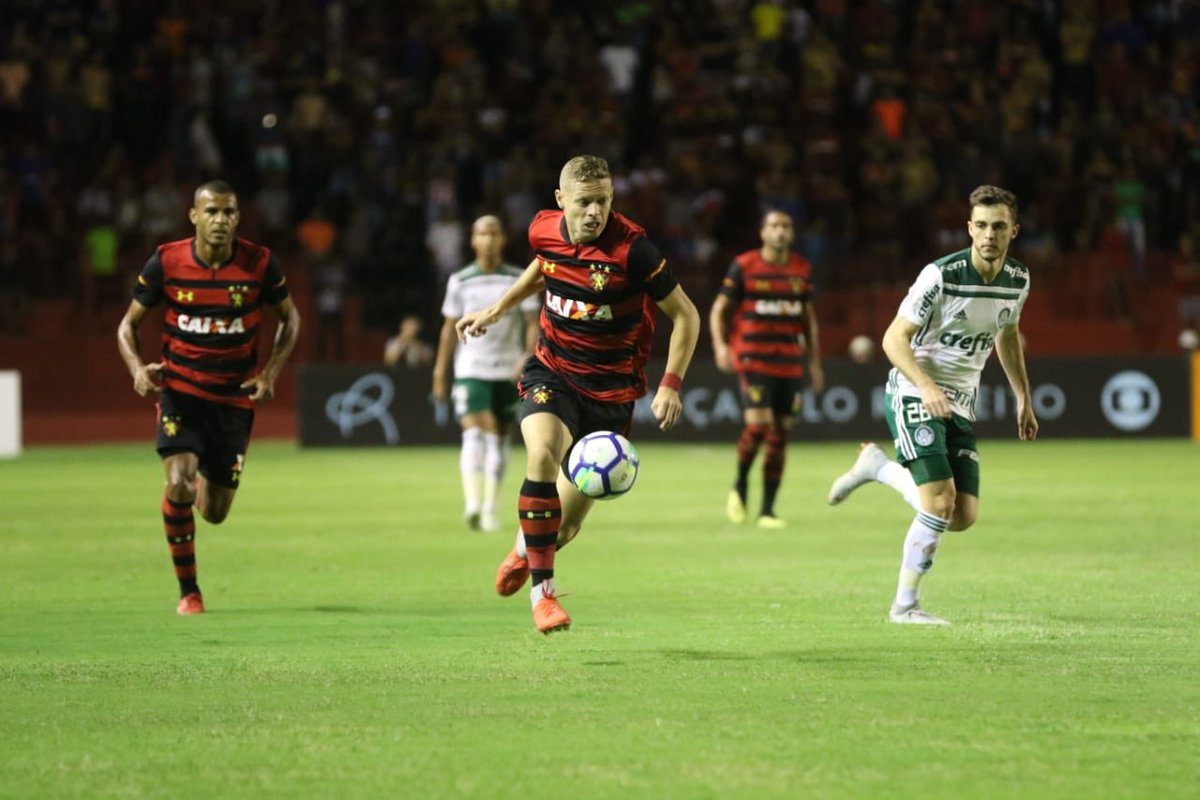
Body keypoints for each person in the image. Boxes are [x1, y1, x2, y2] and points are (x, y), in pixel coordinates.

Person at [455, 155, 700, 634]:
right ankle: (543, 597)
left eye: (603, 201)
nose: (594, 212)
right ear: (560, 201)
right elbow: (544, 267)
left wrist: (671, 383)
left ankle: (526, 549)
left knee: (563, 527)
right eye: (584, 202)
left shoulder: (634, 251)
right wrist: (497, 308)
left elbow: (687, 315)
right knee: (543, 455)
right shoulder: (541, 230)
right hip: (553, 371)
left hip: (611, 392)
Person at [827, 185, 1037, 625]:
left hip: (961, 402)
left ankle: (877, 467)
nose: (989, 235)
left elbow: (1007, 335)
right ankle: (904, 606)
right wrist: (924, 385)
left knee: (962, 515)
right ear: (969, 228)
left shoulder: (1018, 280)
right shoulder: (941, 275)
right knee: (939, 502)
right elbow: (892, 338)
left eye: (999, 226)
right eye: (980, 225)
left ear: (1013, 230)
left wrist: (1023, 395)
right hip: (914, 391)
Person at [116, 180, 301, 615]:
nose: (221, 221)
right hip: (180, 392)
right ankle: (189, 593)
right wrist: (137, 370)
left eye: (229, 213)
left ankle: (196, 484)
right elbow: (128, 327)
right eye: (212, 212)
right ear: (194, 216)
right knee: (178, 482)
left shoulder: (260, 263)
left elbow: (290, 320)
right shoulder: (167, 261)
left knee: (215, 513)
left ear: (238, 217)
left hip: (233, 400)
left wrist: (270, 373)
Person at [709, 209, 824, 528]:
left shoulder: (801, 269)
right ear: (763, 233)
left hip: (789, 362)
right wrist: (721, 347)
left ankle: (767, 511)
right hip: (753, 357)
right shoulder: (745, 265)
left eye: (786, 226)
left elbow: (807, 320)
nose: (780, 231)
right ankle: (740, 484)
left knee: (781, 434)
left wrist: (814, 363)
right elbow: (719, 310)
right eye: (774, 225)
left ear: (792, 233)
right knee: (759, 426)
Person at [432, 214, 540, 532]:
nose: (488, 239)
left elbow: (533, 321)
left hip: (508, 369)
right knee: (477, 430)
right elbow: (448, 329)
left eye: (494, 233)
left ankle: (491, 506)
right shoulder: (460, 280)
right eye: (482, 233)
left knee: (499, 436)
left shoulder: (518, 279)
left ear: (503, 239)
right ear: (472, 240)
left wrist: (527, 355)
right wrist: (440, 371)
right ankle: (473, 503)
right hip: (471, 369)